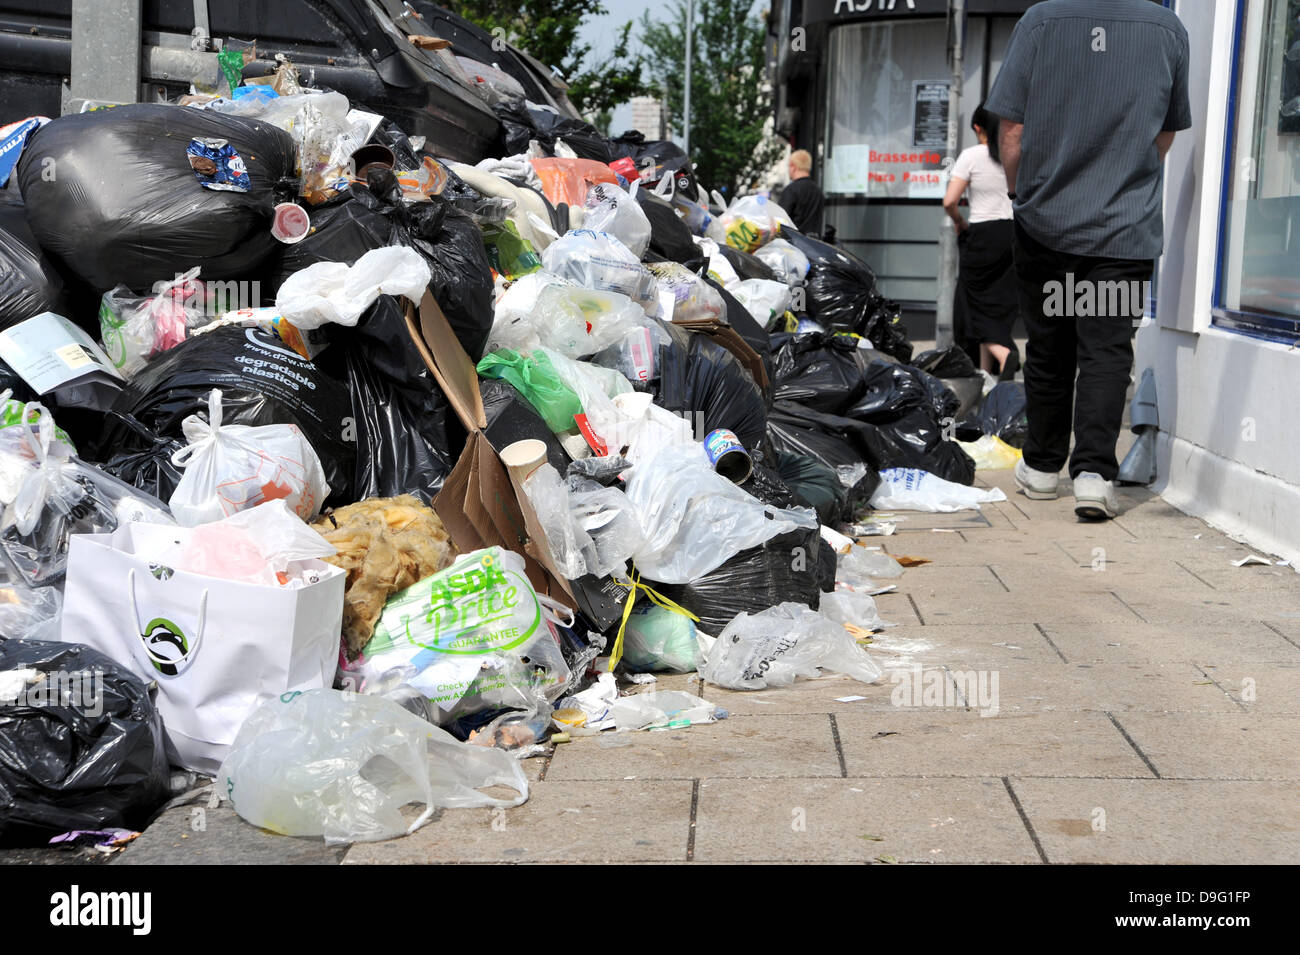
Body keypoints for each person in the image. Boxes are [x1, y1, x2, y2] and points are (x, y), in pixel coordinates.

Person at [986, 0, 1190, 520]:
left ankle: (1041, 467)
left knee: (1051, 347)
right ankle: (1095, 476)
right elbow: (1164, 133)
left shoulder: (1042, 21)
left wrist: (1019, 194)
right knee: (1106, 350)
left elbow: (1011, 130)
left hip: (1046, 227)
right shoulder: (1166, 28)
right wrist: (1123, 182)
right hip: (1121, 234)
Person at [943, 104, 1019, 377]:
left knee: (971, 303)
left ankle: (1005, 353)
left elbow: (950, 201)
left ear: (977, 127)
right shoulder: (1015, 153)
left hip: (983, 234)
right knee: (996, 304)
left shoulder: (972, 155)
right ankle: (986, 374)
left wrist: (959, 222)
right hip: (1014, 234)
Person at [780, 149, 824, 235]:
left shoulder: (791, 190)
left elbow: (780, 220)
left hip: (794, 244)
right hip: (814, 244)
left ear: (793, 167)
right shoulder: (818, 192)